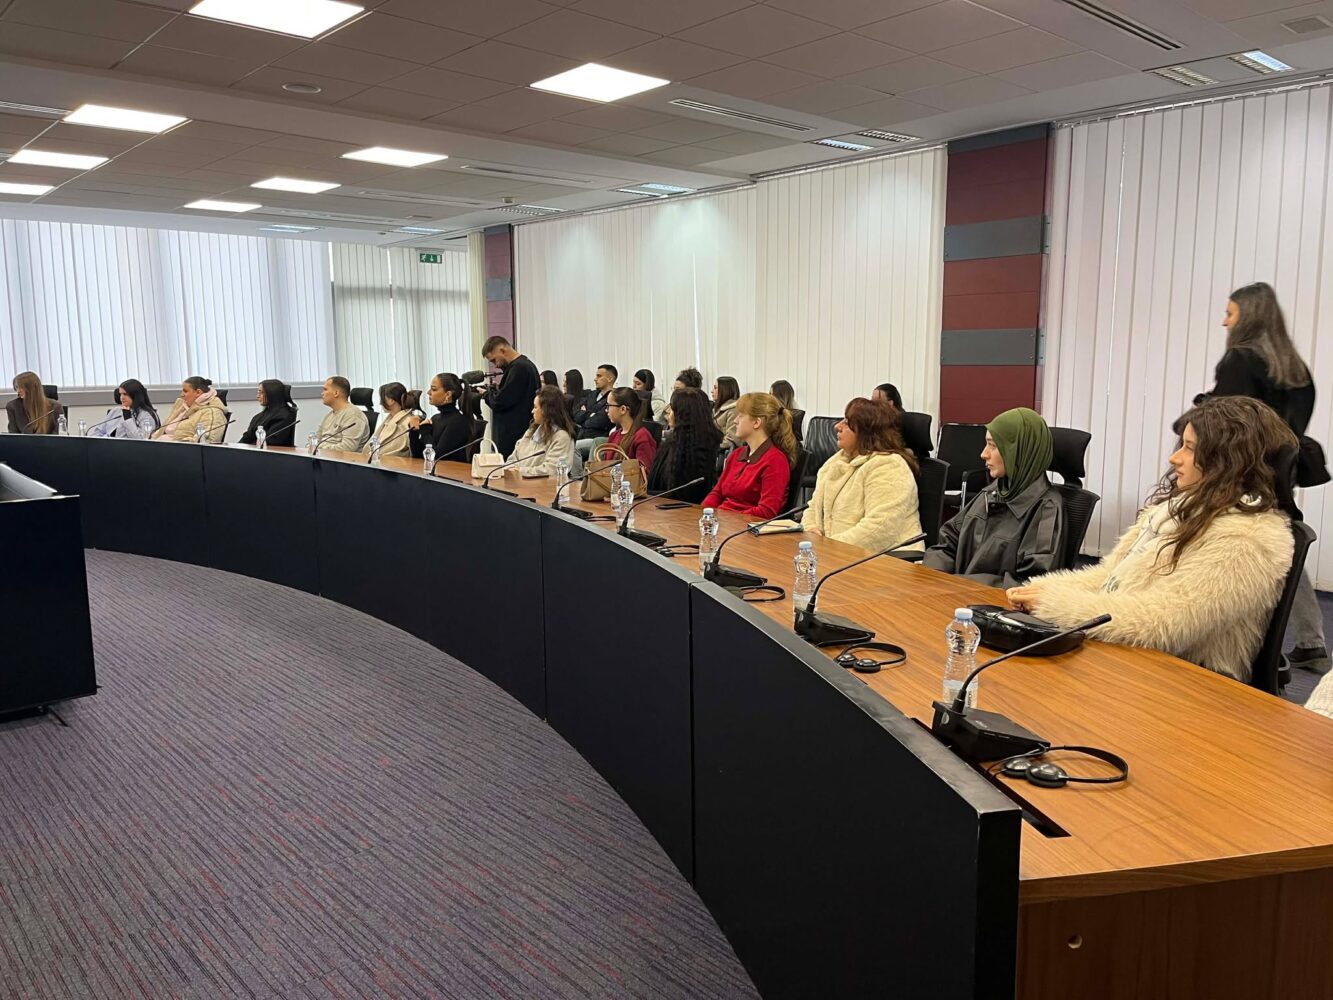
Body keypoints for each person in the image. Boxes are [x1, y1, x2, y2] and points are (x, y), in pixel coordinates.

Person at [1008, 397, 1298, 684]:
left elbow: (1161, 624)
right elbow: (1109, 577)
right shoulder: (1175, 512)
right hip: (1136, 662)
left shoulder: (1246, 540)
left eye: (1190, 448)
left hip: (1187, 683)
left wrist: (1055, 606)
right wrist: (1044, 590)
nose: (1175, 458)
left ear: (1228, 462)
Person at [1205, 282, 1328, 676]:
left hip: (1242, 470)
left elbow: (1227, 421)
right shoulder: (1295, 368)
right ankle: (1311, 640)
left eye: (1230, 313)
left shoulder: (1241, 360)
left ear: (1249, 317)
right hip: (1280, 472)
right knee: (1286, 545)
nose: (1224, 322)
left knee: (1226, 548)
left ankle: (1229, 642)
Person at [923, 407, 1064, 588]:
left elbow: (1030, 585)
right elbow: (947, 543)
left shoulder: (1047, 509)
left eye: (993, 446)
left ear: (1018, 451)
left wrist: (962, 584)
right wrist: (933, 577)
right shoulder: (993, 491)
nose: (984, 454)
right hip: (957, 594)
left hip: (988, 602)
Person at [805, 398, 923, 552]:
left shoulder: (889, 466)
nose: (837, 426)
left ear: (867, 430)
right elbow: (813, 508)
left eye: (847, 423)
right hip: (835, 554)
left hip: (884, 560)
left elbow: (879, 529)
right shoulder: (835, 462)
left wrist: (828, 548)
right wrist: (810, 531)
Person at [701, 392, 797, 519]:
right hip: (722, 522)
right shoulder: (737, 454)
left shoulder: (776, 461)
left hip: (745, 527)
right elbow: (717, 493)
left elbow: (766, 511)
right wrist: (702, 513)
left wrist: (727, 519)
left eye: (740, 416)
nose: (735, 420)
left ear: (756, 422)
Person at [648, 387, 723, 504]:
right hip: (659, 504)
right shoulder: (671, 442)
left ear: (684, 416)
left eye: (673, 410)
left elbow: (685, 494)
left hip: (683, 509)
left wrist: (647, 495)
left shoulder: (698, 451)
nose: (669, 415)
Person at [481, 335, 542, 458]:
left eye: (494, 360)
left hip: (514, 436)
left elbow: (501, 402)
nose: (495, 365)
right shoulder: (523, 366)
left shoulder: (519, 368)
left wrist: (486, 394)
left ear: (502, 350)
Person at [510, 386, 576, 477]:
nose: (532, 411)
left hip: (543, 485)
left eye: (535, 407)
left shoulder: (562, 437)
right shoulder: (531, 431)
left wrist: (520, 471)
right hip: (518, 482)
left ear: (547, 410)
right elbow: (512, 460)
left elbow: (551, 470)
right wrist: (509, 470)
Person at [408, 373, 474, 463]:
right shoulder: (435, 418)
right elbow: (418, 455)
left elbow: (437, 457)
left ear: (448, 394)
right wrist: (414, 431)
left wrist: (425, 433)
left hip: (450, 471)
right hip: (434, 470)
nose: (428, 392)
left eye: (433, 389)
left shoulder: (458, 422)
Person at [153, 376, 230, 443]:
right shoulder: (182, 406)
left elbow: (206, 441)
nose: (181, 394)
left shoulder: (212, 412)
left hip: (178, 451)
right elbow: (161, 431)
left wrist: (174, 444)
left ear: (198, 392)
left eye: (185, 391)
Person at [601, 386, 657, 471]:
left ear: (623, 409)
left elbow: (645, 472)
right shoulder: (613, 435)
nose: (606, 410)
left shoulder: (642, 437)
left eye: (608, 406)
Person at [313, 376, 369, 453]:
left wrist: (320, 449)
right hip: (324, 456)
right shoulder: (329, 415)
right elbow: (316, 439)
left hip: (343, 459)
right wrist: (312, 447)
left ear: (336, 393)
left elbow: (347, 448)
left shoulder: (353, 415)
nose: (322, 393)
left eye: (325, 390)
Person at [89, 379, 160, 439]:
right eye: (120, 394)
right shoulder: (115, 411)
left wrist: (128, 419)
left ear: (135, 395)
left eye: (125, 394)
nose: (121, 398)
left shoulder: (146, 415)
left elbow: (141, 440)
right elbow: (98, 431)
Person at [573, 364, 616, 455]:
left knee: (570, 449)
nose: (595, 379)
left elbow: (599, 421)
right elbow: (574, 412)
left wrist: (584, 414)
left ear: (610, 379)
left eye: (599, 376)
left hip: (596, 438)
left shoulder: (614, 398)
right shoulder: (592, 394)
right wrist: (590, 414)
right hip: (581, 435)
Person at [239, 380, 297, 447]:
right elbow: (247, 437)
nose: (257, 396)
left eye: (261, 393)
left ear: (272, 394)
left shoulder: (284, 416)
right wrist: (237, 446)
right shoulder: (260, 416)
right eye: (258, 392)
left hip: (272, 452)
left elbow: (271, 441)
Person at [365, 382, 414, 458]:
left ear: (391, 400)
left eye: (382, 399)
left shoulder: (407, 422)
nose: (380, 403)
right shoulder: (391, 418)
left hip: (391, 463)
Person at [713, 376, 741, 446]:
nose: (712, 391)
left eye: (715, 388)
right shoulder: (715, 408)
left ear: (725, 390)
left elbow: (732, 440)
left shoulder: (734, 410)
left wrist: (711, 447)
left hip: (723, 451)